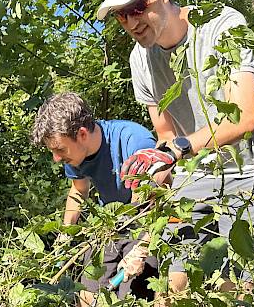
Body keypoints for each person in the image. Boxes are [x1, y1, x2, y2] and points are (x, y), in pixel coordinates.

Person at [96, 0, 254, 297]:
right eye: (121, 15)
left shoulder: (222, 26)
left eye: (138, 7)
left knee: (234, 288)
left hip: (248, 170)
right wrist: (151, 178)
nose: (132, 22)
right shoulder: (140, 60)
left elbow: (244, 119)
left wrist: (181, 148)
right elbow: (165, 134)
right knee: (173, 289)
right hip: (197, 174)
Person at [30, 92, 164, 306]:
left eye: (59, 150)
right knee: (88, 293)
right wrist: (65, 236)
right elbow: (78, 190)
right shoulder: (74, 154)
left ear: (82, 134)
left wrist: (142, 247)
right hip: (108, 224)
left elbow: (153, 205)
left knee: (129, 297)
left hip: (144, 221)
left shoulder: (134, 140)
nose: (56, 158)